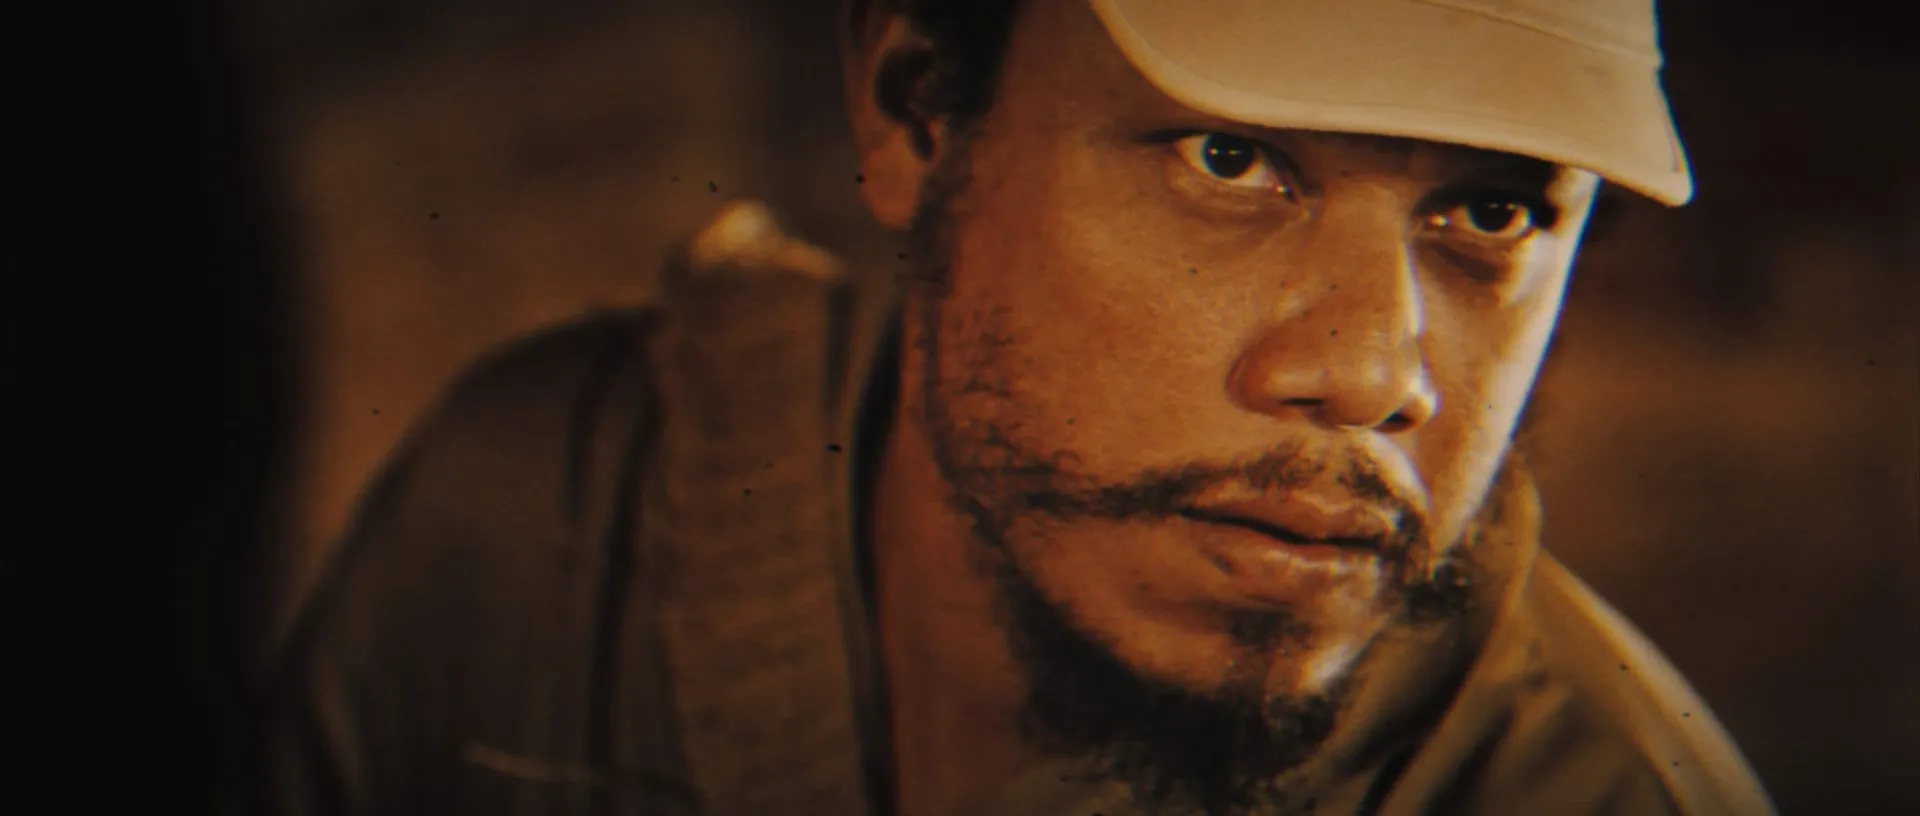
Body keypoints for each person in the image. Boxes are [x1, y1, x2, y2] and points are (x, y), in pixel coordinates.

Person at [231, 0, 1779, 814]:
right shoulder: (541, 513)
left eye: (1492, 214)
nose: (1374, 375)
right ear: (917, 106)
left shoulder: (1593, 796)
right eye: (1232, 160)